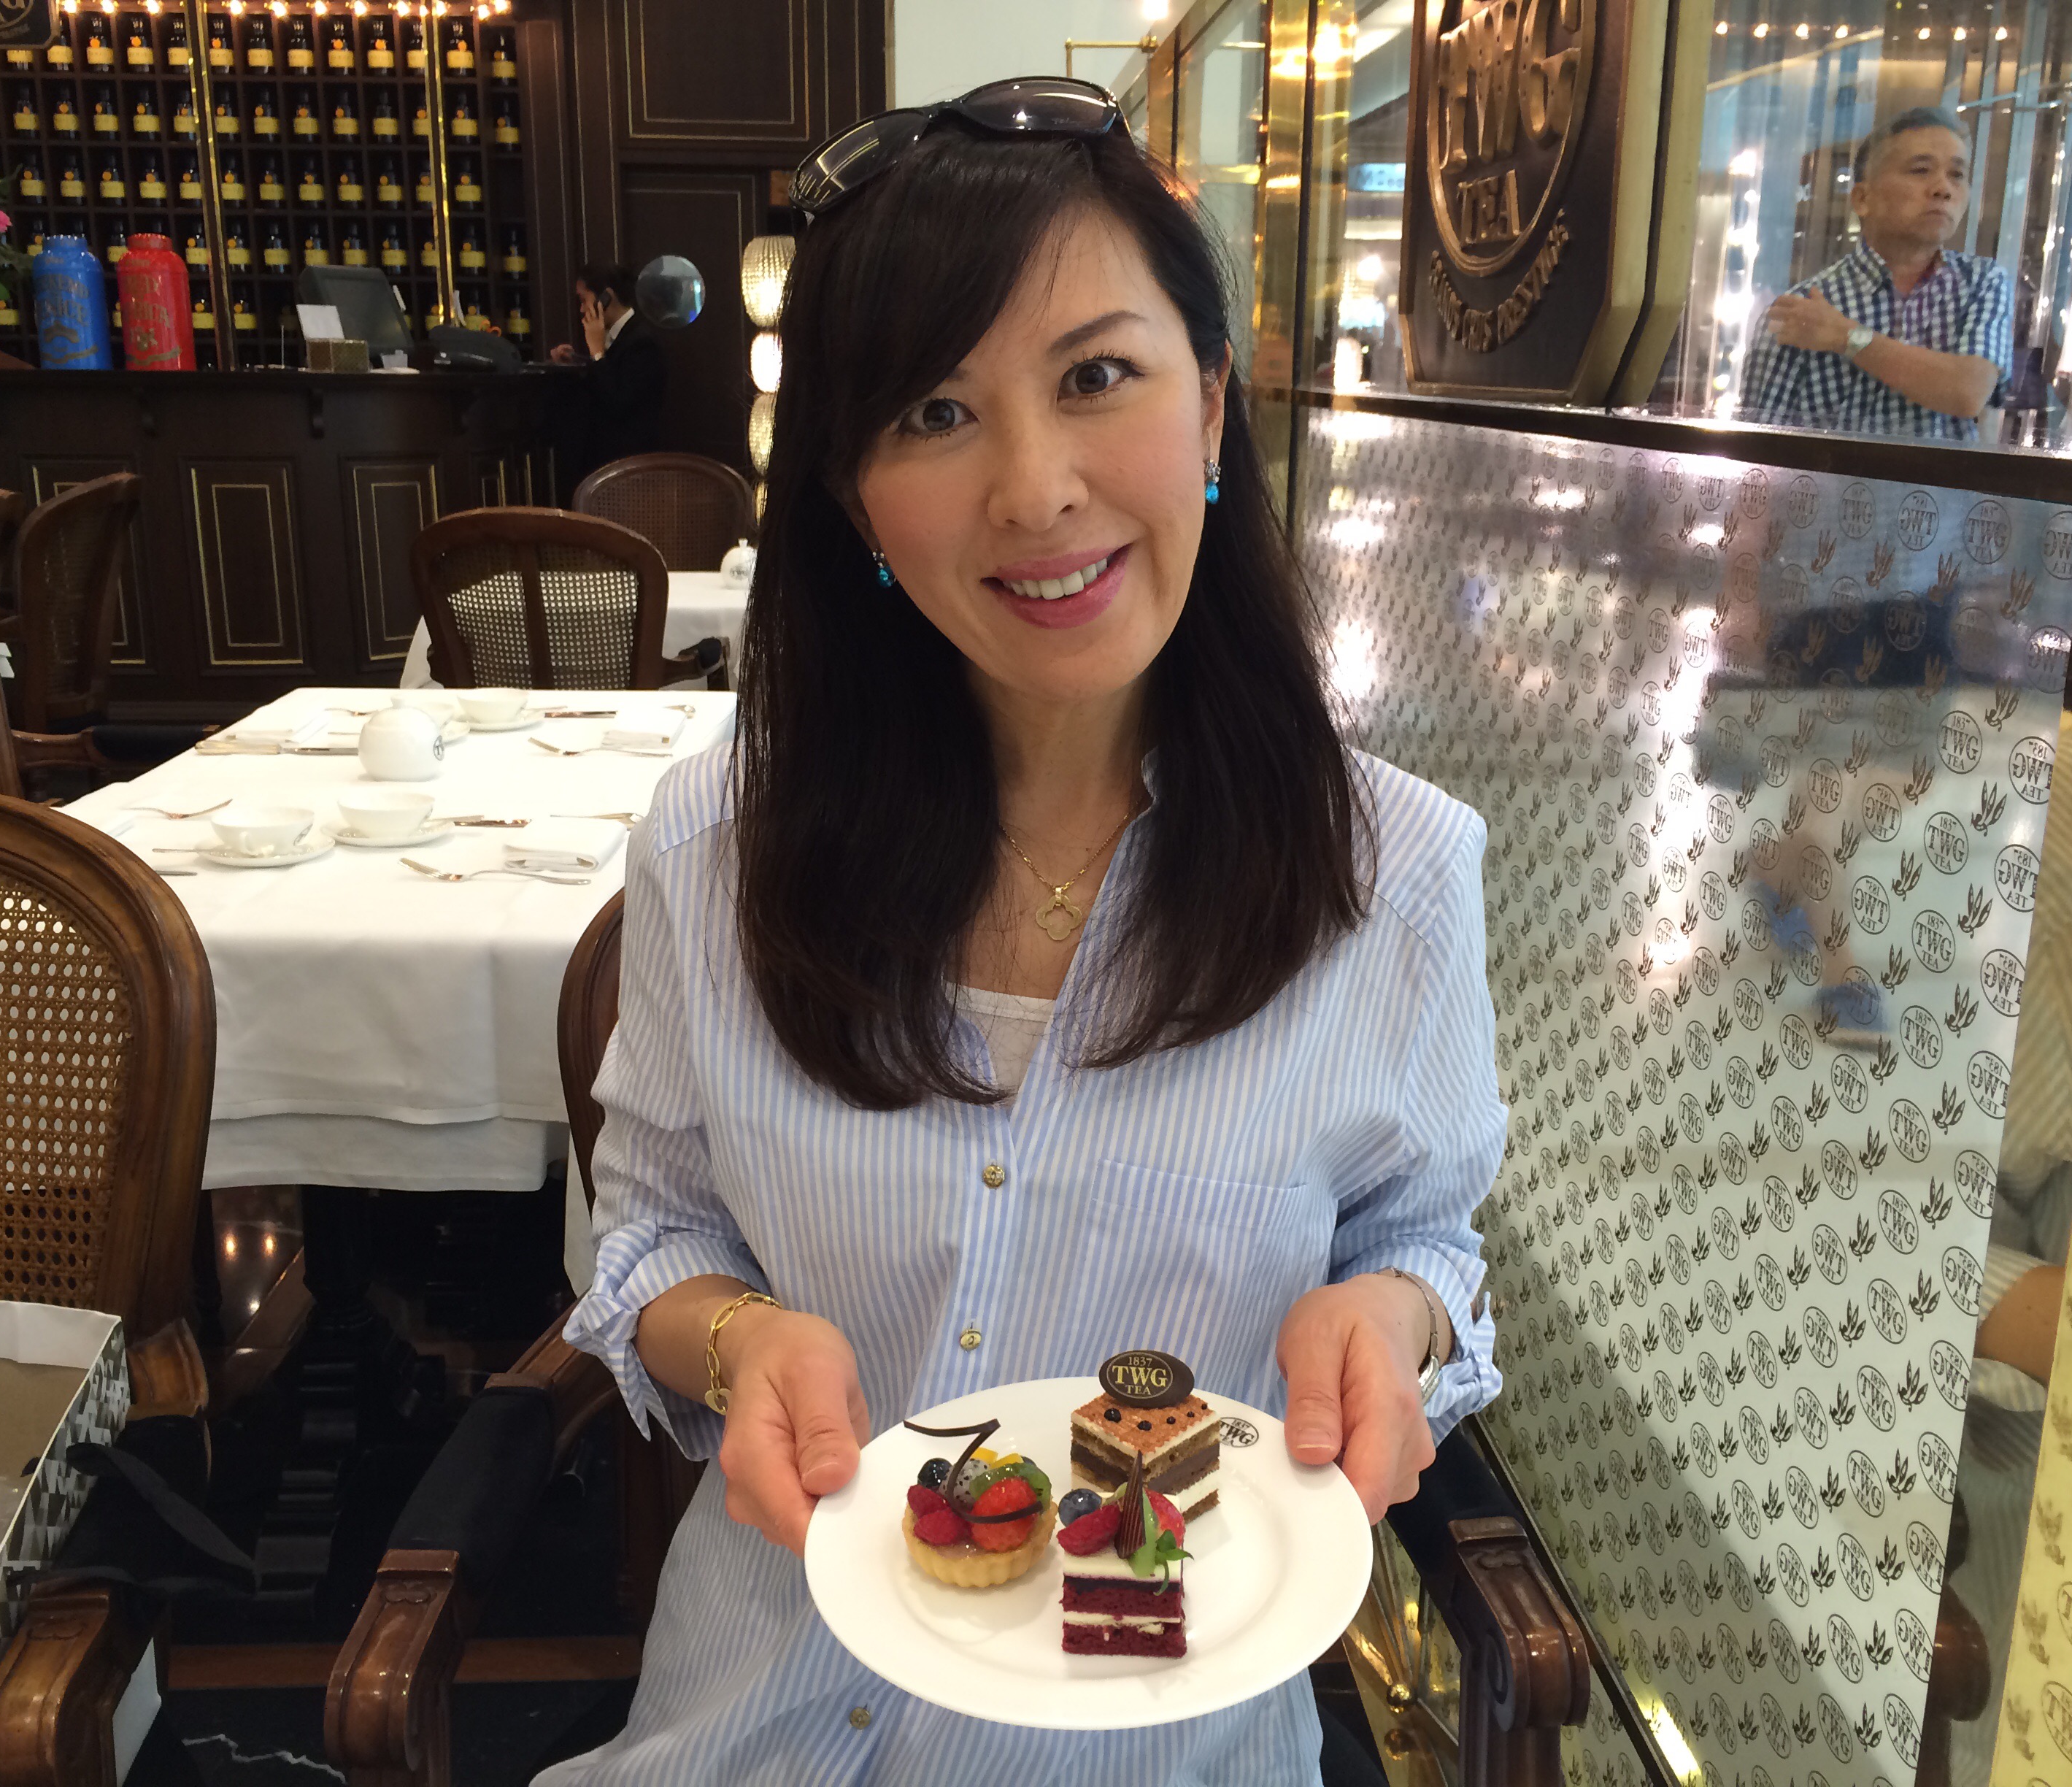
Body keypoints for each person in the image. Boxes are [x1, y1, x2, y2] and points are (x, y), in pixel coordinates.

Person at [543, 77, 1503, 1786]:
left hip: (1166, 1738)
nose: (1037, 489)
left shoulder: (1399, 875)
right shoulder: (718, 848)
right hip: (758, 1722)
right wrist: (743, 1338)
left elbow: (1422, 1237)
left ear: (1211, 404)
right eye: (934, 410)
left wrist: (1389, 1315)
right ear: (852, 494)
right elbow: (652, 1233)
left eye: (1096, 377)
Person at [1736, 106, 2014, 441]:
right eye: (1921, 170)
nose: (1943, 189)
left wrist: (1846, 336)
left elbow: (1968, 392)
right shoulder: (1804, 309)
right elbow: (1756, 442)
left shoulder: (1981, 283)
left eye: (1957, 175)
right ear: (1862, 198)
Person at [548, 260, 666, 464]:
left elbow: (619, 402)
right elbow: (607, 376)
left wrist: (597, 352)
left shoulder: (643, 342)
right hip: (602, 458)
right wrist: (577, 360)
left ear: (606, 298)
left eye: (584, 300)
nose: (582, 309)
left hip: (629, 462)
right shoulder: (611, 335)